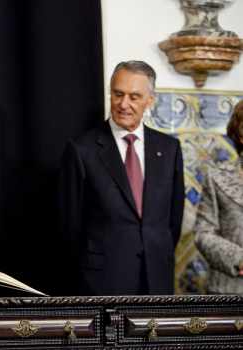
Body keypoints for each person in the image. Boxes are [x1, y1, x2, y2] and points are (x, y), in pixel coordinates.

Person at [58, 60, 184, 295]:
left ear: (150, 100)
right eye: (118, 94)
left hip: (157, 278)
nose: (123, 104)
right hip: (103, 281)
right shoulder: (81, 149)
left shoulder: (169, 149)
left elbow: (173, 221)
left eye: (134, 97)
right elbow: (70, 226)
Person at [194, 99, 243, 294]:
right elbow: (203, 234)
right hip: (229, 292)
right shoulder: (217, 178)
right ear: (240, 134)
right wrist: (239, 258)